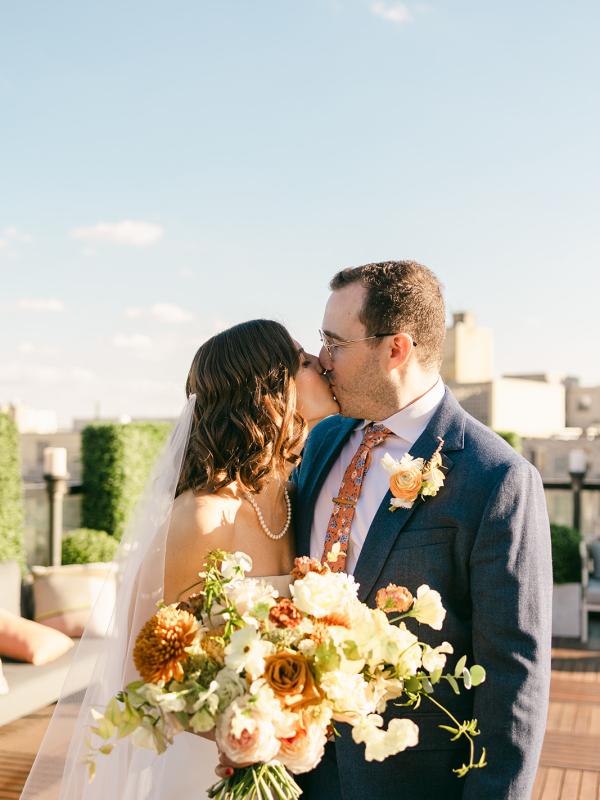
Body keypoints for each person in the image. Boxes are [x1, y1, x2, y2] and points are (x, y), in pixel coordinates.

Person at [20, 318, 338, 800]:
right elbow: (142, 663)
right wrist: (238, 732)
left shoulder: (294, 497)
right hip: (207, 763)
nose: (321, 363)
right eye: (302, 362)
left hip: (289, 756)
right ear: (269, 392)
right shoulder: (199, 517)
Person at [292, 261, 552, 800]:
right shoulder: (320, 443)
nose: (321, 358)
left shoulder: (497, 478)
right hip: (297, 771)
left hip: (412, 782)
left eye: (335, 342)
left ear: (396, 348)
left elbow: (513, 675)